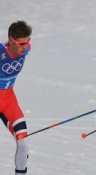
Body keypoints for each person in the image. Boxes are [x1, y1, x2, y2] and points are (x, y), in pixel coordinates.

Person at [0, 20, 32, 175]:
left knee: (23, 143)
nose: (25, 46)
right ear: (11, 40)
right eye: (21, 44)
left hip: (8, 101)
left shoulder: (26, 50)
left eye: (27, 42)